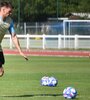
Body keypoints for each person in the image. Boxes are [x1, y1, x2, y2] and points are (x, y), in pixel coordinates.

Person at [0, 1, 28, 77]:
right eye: (9, 11)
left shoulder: (9, 21)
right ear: (3, 9)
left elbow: (14, 36)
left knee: (1, 72)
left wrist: (20, 51)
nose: (11, 13)